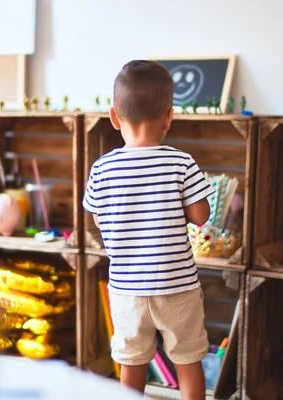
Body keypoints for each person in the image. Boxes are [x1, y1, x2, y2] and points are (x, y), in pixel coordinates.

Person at [83, 60, 214, 400]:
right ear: (169, 117)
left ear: (114, 117)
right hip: (177, 286)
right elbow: (201, 215)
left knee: (132, 361)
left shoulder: (102, 169)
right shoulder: (182, 162)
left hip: (127, 289)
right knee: (188, 359)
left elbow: (97, 219)